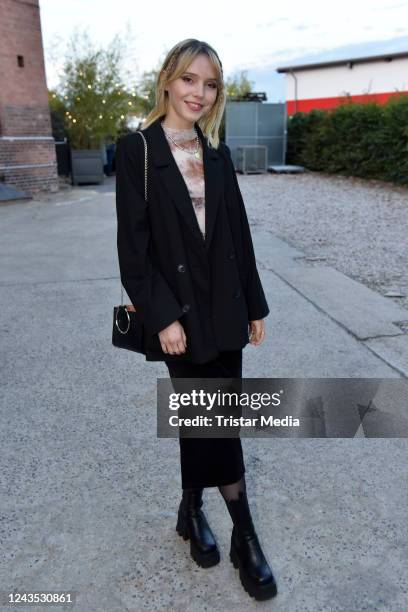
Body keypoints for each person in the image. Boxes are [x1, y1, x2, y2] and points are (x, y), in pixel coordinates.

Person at [115, 38, 277, 601]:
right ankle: (245, 535)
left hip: (225, 307)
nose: (199, 94)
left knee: (207, 415)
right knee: (214, 418)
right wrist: (161, 317)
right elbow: (134, 252)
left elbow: (239, 235)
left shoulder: (217, 153)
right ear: (167, 80)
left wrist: (254, 304)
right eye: (190, 80)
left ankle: (190, 509)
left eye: (209, 85)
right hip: (179, 313)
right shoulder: (137, 149)